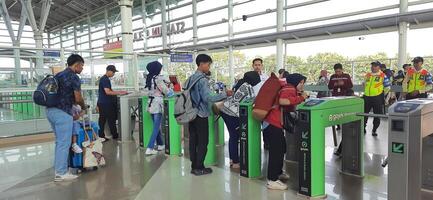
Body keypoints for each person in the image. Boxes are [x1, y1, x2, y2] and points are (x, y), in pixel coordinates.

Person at [186, 54, 232, 176]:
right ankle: (199, 167)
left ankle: (194, 166)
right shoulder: (202, 80)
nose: (209, 67)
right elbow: (208, 98)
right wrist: (224, 94)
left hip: (191, 114)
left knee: (193, 141)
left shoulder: (191, 78)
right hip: (201, 114)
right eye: (208, 64)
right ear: (201, 64)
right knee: (202, 142)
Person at [264, 73, 308, 190]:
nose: (303, 85)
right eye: (301, 82)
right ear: (296, 82)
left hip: (273, 123)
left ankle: (278, 173)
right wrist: (301, 97)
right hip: (273, 123)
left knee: (281, 148)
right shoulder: (289, 87)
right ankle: (272, 180)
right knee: (276, 151)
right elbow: (283, 101)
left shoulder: (289, 87)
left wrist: (298, 96)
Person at [46, 54, 86, 182]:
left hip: (50, 111)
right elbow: (78, 98)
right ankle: (61, 173)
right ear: (77, 64)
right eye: (82, 66)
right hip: (62, 113)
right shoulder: (74, 77)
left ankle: (59, 169)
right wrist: (83, 107)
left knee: (59, 142)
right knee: (64, 143)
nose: (82, 69)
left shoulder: (58, 75)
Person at [220, 71, 261, 169]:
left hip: (226, 110)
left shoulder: (240, 83)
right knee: (234, 136)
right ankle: (235, 162)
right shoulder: (247, 87)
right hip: (232, 114)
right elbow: (250, 102)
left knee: (233, 136)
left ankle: (232, 159)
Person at [144, 61, 175, 155]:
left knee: (156, 126)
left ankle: (161, 144)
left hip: (150, 104)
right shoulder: (158, 79)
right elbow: (167, 92)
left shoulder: (149, 78)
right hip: (157, 104)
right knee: (156, 127)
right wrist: (171, 88)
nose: (160, 70)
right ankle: (149, 148)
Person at [97, 65, 128, 140]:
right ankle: (114, 135)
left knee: (102, 119)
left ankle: (101, 136)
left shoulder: (104, 79)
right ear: (109, 71)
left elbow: (107, 91)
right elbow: (107, 92)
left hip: (102, 102)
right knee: (111, 119)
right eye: (113, 72)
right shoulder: (105, 79)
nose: (114, 74)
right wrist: (120, 93)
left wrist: (118, 92)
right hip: (106, 103)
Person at [363, 61, 391, 136]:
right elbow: (364, 84)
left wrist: (381, 94)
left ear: (379, 67)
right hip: (366, 97)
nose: (373, 67)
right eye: (372, 66)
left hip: (377, 97)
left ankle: (374, 130)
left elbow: (387, 87)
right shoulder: (368, 75)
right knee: (364, 113)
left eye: (375, 66)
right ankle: (363, 128)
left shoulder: (383, 75)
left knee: (377, 115)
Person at [328, 63, 353, 131]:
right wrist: (334, 84)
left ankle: (345, 124)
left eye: (339, 71)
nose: (337, 73)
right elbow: (329, 86)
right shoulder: (332, 76)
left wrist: (343, 84)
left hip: (345, 96)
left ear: (342, 70)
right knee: (336, 111)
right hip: (335, 96)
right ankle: (338, 125)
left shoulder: (346, 76)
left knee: (344, 111)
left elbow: (350, 86)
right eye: (336, 71)